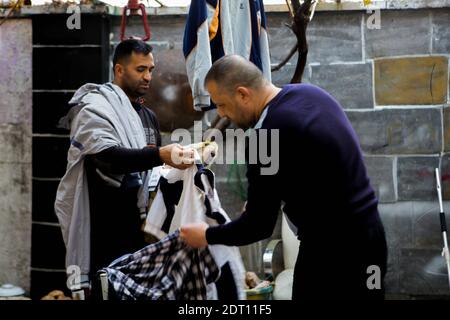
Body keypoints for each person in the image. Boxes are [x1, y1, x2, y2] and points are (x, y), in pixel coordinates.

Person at [180, 55, 388, 300]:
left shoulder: (265, 137)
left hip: (331, 253)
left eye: (222, 105)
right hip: (371, 236)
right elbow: (316, 172)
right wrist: (268, 199)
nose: (223, 115)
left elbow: (258, 226)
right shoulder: (310, 94)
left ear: (243, 94)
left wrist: (206, 235)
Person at [55, 39, 194, 299]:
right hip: (103, 228)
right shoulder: (94, 109)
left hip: (139, 229)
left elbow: (151, 170)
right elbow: (108, 158)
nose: (148, 76)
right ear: (119, 70)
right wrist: (160, 155)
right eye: (140, 69)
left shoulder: (149, 117)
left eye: (151, 69)